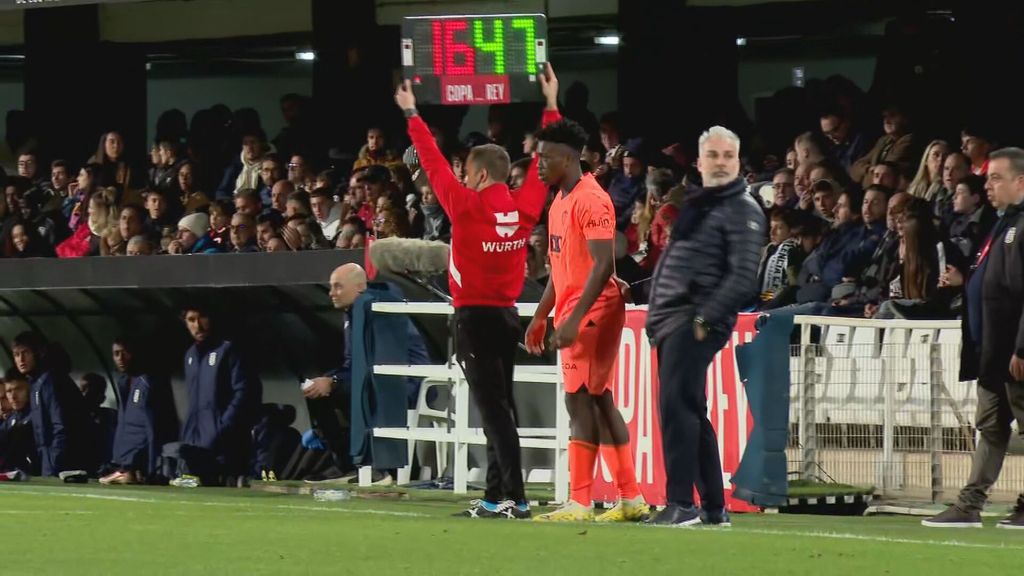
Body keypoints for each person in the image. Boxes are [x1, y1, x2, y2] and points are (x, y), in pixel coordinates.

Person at [394, 66, 550, 519]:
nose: (459, 177)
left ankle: (517, 499)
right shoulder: (525, 207)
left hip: (474, 320)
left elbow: (431, 160)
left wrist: (411, 113)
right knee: (502, 408)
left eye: (466, 173)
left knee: (495, 413)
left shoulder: (464, 206)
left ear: (479, 175)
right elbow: (541, 163)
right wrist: (551, 103)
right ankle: (494, 497)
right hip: (505, 317)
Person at [523, 69, 648, 523]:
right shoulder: (559, 200)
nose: (537, 167)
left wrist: (572, 320)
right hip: (578, 307)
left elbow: (602, 266)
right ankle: (630, 497)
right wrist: (542, 313)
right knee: (597, 398)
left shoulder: (592, 200)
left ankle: (579, 501)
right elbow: (561, 268)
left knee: (578, 399)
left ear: (565, 158)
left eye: (543, 160)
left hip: (594, 310)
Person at [644, 125, 766, 526]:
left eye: (727, 156)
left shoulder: (742, 208)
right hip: (676, 317)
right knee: (690, 410)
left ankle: (680, 503)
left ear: (738, 161)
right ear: (698, 162)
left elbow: (745, 275)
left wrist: (703, 318)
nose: (720, 163)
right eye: (713, 155)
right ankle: (714, 507)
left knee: (677, 410)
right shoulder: (704, 205)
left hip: (692, 317)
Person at [923, 147, 1024, 528]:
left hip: (1013, 351)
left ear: (1021, 181)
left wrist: (1022, 346)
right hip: (992, 352)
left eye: (996, 178)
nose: (988, 185)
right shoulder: (1001, 224)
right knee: (991, 429)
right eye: (987, 178)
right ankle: (969, 505)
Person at [301, 263, 428, 484]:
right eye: (331, 287)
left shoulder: (379, 310)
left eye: (338, 287)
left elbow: (380, 363)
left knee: (353, 389)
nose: (331, 293)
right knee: (317, 391)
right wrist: (327, 380)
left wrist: (334, 381)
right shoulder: (352, 314)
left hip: (405, 383)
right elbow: (354, 364)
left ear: (360, 287)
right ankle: (346, 464)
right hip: (374, 377)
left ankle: (380, 467)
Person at [168, 305, 262, 487]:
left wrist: (223, 425)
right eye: (191, 320)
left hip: (224, 440)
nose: (197, 325)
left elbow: (244, 391)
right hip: (196, 439)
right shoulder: (190, 356)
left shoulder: (228, 350)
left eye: (201, 318)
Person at [101, 338, 179, 485]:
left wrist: (152, 467)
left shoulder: (147, 383)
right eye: (116, 354)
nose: (120, 358)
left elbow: (153, 429)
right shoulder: (124, 382)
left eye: (125, 353)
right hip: (124, 461)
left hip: (141, 464)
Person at [13, 332, 89, 477]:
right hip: (48, 459)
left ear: (39, 352)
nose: (21, 359)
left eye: (25, 353)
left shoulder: (50, 381)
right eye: (16, 355)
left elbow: (61, 426)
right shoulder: (37, 383)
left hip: (61, 462)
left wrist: (54, 464)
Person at [0, 370, 35, 474]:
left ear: (29, 388)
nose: (13, 396)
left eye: (18, 389)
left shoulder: (37, 416)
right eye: (9, 391)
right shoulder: (12, 418)